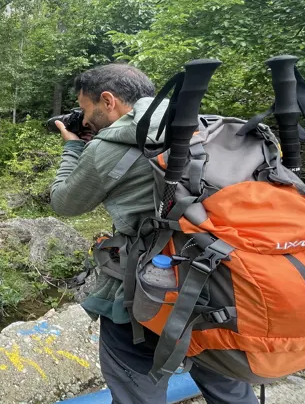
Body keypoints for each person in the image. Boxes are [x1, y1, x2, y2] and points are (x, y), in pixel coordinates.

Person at [50, 63, 258, 404]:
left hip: (148, 294)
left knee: (136, 391)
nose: (85, 122)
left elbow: (64, 202)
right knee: (228, 387)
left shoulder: (106, 149)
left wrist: (74, 148)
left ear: (108, 100)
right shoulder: (204, 129)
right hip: (222, 286)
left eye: (87, 111)